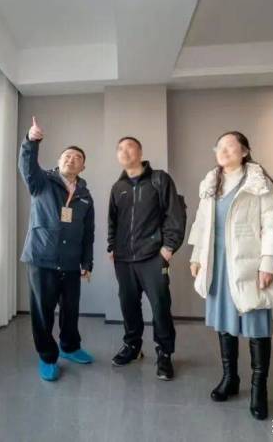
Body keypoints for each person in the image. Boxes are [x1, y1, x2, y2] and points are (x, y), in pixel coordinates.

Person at [188, 130, 273, 420]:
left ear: (245, 151)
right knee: (225, 323)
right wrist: (196, 256)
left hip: (248, 263)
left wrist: (267, 263)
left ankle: (259, 389)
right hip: (217, 263)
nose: (223, 150)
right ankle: (230, 378)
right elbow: (201, 223)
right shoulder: (211, 182)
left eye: (230, 146)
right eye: (218, 146)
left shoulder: (258, 182)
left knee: (256, 325)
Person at [18, 116, 95, 381]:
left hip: (71, 262)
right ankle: (47, 356)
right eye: (67, 156)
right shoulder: (42, 181)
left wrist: (87, 262)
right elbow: (27, 167)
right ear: (59, 161)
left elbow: (88, 233)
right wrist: (31, 142)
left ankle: (70, 347)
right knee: (43, 312)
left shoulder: (85, 195)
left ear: (83, 166)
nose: (71, 159)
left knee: (71, 309)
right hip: (42, 257)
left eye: (77, 157)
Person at [107, 136, 186, 380]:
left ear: (140, 152)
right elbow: (113, 221)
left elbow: (175, 214)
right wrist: (111, 246)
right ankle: (132, 347)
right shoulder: (118, 187)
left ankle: (164, 353)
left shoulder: (159, 179)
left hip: (153, 256)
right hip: (124, 259)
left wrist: (169, 247)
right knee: (128, 305)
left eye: (129, 147)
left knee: (160, 306)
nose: (124, 151)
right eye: (120, 148)